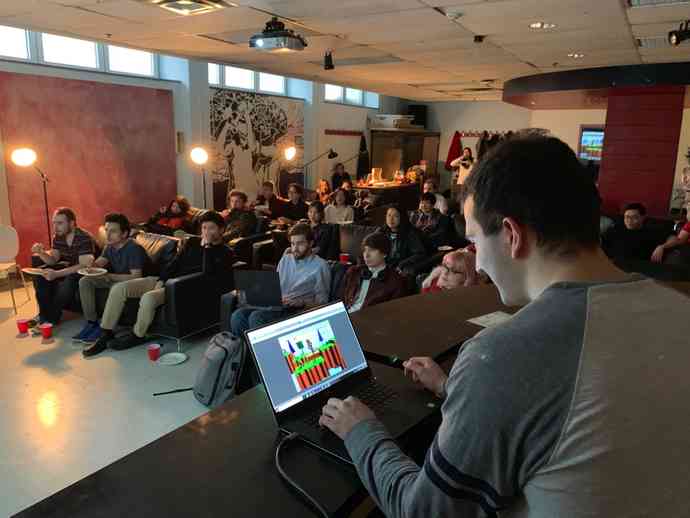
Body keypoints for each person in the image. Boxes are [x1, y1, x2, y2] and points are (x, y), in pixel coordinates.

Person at [319, 134, 690, 517]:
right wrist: (453, 389)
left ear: (512, 235)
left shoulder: (498, 356)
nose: (478, 263)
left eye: (475, 240)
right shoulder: (679, 309)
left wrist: (360, 430)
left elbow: (422, 511)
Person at [83, 211, 235, 355]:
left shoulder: (226, 252)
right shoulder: (192, 242)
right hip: (164, 280)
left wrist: (207, 247)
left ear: (221, 230)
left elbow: (208, 276)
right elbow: (174, 264)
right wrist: (161, 280)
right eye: (204, 228)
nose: (206, 232)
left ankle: (138, 335)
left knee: (148, 298)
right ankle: (106, 333)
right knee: (119, 288)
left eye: (211, 228)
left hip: (181, 287)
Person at [230, 223, 331, 336]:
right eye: (292, 244)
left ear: (311, 243)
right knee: (238, 315)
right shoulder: (286, 259)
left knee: (257, 317)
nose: (295, 248)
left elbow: (323, 303)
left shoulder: (321, 266)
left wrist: (301, 302)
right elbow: (275, 287)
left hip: (297, 311)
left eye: (300, 243)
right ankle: (245, 347)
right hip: (278, 305)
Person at [75, 213, 148, 349]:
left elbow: (136, 276)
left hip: (136, 283)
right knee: (85, 281)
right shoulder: (110, 246)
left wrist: (109, 276)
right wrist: (91, 265)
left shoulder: (134, 248)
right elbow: (99, 263)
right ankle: (92, 322)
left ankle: (105, 330)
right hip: (118, 280)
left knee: (114, 286)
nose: (107, 235)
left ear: (124, 233)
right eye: (106, 230)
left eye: (113, 231)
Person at [30, 208, 96, 326]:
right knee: (41, 275)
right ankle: (43, 316)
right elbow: (53, 260)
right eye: (54, 223)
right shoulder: (58, 236)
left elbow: (83, 265)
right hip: (71, 267)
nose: (55, 227)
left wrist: (57, 274)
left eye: (60, 223)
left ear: (72, 223)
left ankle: (51, 318)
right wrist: (41, 253)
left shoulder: (84, 237)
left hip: (86, 271)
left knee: (70, 280)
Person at [340, 232, 406, 313]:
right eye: (364, 250)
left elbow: (393, 313)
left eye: (371, 250)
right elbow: (340, 300)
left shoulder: (395, 281)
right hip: (345, 315)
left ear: (384, 253)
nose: (366, 255)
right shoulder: (353, 272)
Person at [602, 202, 667, 262]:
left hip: (637, 266)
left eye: (634, 217)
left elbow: (672, 238)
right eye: (626, 217)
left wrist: (662, 247)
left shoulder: (650, 232)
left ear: (643, 217)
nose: (629, 221)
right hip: (611, 263)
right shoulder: (616, 229)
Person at [377, 205, 426, 274]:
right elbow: (370, 246)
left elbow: (420, 253)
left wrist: (402, 264)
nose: (391, 219)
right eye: (389, 215)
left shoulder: (409, 233)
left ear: (402, 218)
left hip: (400, 267)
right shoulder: (381, 231)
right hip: (383, 266)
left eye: (395, 216)